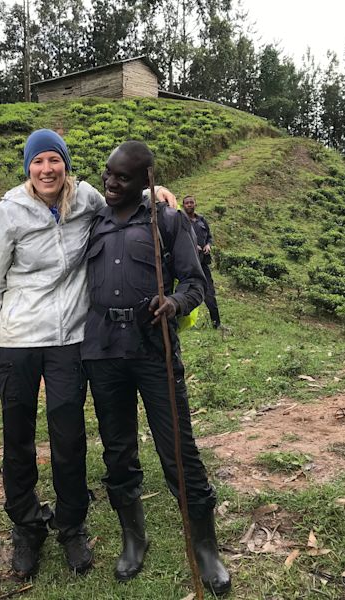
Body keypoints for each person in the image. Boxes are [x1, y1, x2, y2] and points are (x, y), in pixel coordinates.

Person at [0, 129, 174, 579]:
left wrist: (153, 191)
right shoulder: (9, 212)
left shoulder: (86, 198)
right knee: (18, 437)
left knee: (68, 437)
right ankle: (27, 525)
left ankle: (71, 525)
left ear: (66, 163)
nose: (47, 169)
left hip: (69, 340)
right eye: (38, 161)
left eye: (54, 160)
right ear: (27, 167)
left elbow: (124, 206)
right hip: (18, 339)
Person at [82, 142, 231, 595]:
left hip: (154, 349)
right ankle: (134, 537)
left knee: (178, 450)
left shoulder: (168, 221)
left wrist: (174, 301)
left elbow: (195, 282)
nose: (110, 183)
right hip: (103, 350)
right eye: (107, 174)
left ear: (146, 180)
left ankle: (205, 547)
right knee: (117, 448)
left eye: (122, 177)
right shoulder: (93, 221)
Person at [183, 195, 221, 328]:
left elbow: (209, 236)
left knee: (209, 292)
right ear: (183, 205)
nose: (189, 205)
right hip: (189, 265)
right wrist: (193, 245)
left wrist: (208, 245)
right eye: (186, 203)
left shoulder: (201, 220)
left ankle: (216, 323)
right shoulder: (181, 221)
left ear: (195, 204)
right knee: (187, 293)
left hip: (203, 263)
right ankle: (185, 323)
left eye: (191, 202)